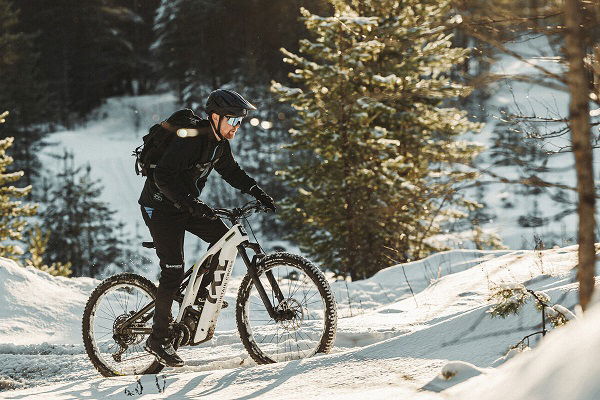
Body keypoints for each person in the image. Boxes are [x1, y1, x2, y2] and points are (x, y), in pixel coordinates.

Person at [139, 89, 276, 367]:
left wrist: (256, 191)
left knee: (226, 239)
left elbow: (231, 172)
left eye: (240, 122)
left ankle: (199, 301)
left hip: (186, 205)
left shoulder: (219, 144)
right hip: (160, 208)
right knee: (173, 270)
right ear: (215, 117)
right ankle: (158, 339)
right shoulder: (190, 140)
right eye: (233, 121)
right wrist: (192, 203)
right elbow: (162, 176)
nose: (237, 127)